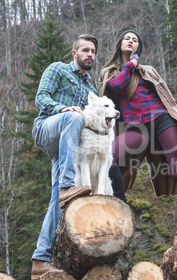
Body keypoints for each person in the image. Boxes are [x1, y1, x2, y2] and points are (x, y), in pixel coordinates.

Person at [98, 30, 177, 227]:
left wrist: (137, 66)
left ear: (138, 48)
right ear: (120, 43)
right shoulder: (110, 72)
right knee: (107, 154)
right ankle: (122, 205)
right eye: (127, 38)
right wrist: (131, 65)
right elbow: (117, 86)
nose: (131, 41)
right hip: (135, 127)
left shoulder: (148, 70)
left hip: (161, 119)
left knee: (176, 160)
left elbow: (165, 96)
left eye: (135, 40)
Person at [31, 34, 98, 279]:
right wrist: (62, 108)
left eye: (92, 51)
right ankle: (66, 186)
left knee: (56, 203)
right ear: (74, 53)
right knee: (74, 116)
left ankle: (40, 259)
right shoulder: (58, 69)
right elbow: (41, 97)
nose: (90, 54)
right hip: (47, 128)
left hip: (66, 148)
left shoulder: (91, 88)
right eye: (85, 50)